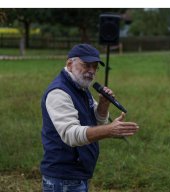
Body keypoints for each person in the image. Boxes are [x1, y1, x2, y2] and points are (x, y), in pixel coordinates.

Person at [40, 43, 139, 192]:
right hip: (63, 179)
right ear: (69, 64)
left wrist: (103, 106)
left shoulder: (81, 87)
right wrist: (109, 130)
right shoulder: (59, 93)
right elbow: (70, 135)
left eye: (95, 67)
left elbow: (98, 122)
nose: (91, 71)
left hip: (77, 175)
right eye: (86, 65)